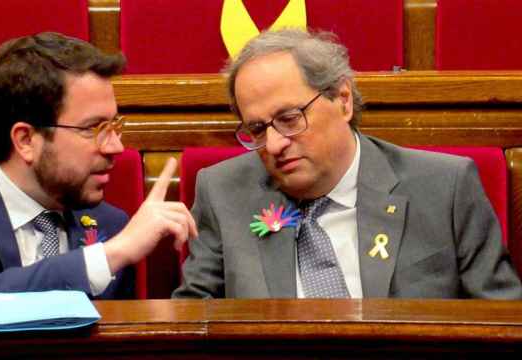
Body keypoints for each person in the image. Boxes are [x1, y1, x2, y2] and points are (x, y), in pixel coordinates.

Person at [173, 29, 522, 299]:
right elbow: (192, 321)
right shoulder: (223, 192)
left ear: (342, 101)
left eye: (290, 118)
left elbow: (499, 321)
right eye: (258, 129)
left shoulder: (444, 187)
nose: (275, 144)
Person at [0, 32, 197, 307]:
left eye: (114, 125)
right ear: (25, 140)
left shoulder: (109, 223)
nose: (115, 146)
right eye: (93, 128)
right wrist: (110, 255)